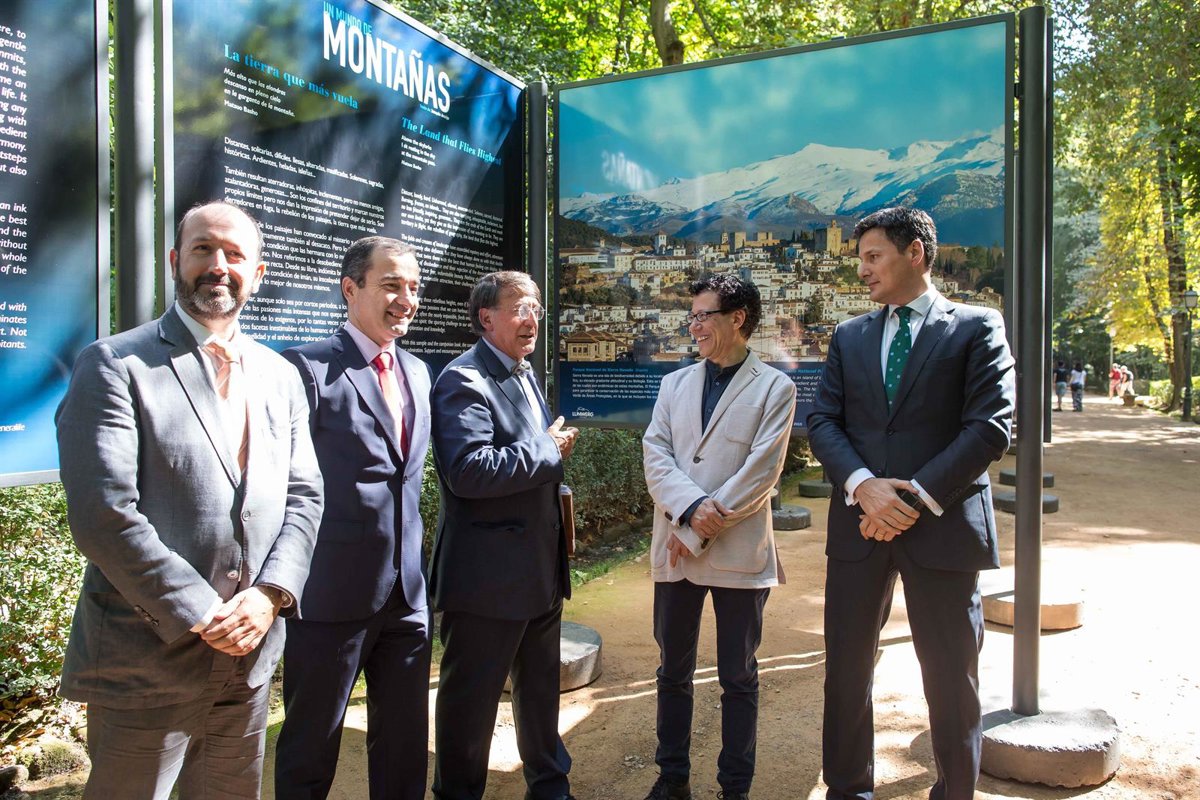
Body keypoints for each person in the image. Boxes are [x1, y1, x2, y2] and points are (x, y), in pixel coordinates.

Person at [54, 201, 324, 799]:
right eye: (203, 249)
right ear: (177, 261)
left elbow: (305, 497)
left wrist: (270, 595)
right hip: (147, 661)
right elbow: (104, 514)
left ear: (258, 273)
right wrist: (204, 612)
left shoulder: (280, 376)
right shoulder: (115, 365)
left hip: (249, 659)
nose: (218, 265)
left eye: (235, 254)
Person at [807, 207, 1015, 800]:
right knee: (846, 674)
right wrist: (863, 487)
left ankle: (955, 792)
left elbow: (990, 427)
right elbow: (823, 421)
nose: (863, 271)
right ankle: (848, 790)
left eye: (874, 256)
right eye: (861, 259)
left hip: (943, 529)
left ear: (915, 252)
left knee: (951, 678)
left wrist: (912, 499)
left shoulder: (977, 326)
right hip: (860, 527)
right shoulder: (850, 335)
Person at [274, 237, 432, 799]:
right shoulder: (307, 368)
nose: (406, 299)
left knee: (404, 748)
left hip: (408, 596)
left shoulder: (418, 371)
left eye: (413, 287)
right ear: (350, 288)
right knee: (311, 747)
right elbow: (282, 485)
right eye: (391, 285)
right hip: (330, 595)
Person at [640, 274, 796, 800]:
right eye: (693, 316)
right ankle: (672, 777)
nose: (695, 326)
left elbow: (761, 473)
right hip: (677, 551)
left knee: (739, 677)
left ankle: (735, 787)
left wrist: (694, 531)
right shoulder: (674, 384)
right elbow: (656, 455)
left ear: (738, 318)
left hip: (736, 553)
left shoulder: (775, 387)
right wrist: (689, 513)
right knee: (672, 671)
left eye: (704, 315)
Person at [429, 271, 579, 800]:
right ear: (486, 318)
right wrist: (548, 448)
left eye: (536, 307)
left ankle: (550, 787)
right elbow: (468, 471)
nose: (531, 318)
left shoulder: (522, 370)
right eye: (519, 308)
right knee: (470, 706)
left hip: (539, 569)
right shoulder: (463, 380)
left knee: (540, 692)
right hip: (487, 582)